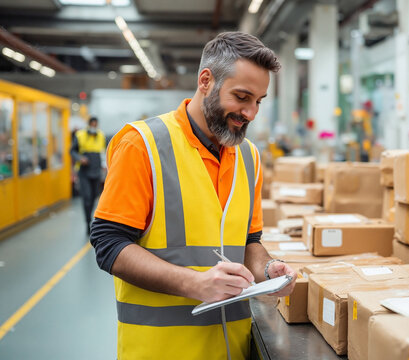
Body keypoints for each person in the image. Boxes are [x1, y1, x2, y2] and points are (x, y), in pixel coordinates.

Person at [90, 32, 297, 360]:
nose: (251, 112)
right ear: (206, 81)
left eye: (258, 100)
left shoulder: (249, 157)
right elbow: (109, 244)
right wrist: (194, 284)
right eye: (242, 97)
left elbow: (249, 241)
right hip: (161, 351)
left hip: (233, 348)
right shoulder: (141, 145)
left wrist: (268, 269)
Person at [70, 116, 105, 235]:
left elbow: (103, 152)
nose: (94, 127)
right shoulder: (80, 135)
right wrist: (80, 158)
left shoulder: (101, 136)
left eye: (96, 125)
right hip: (84, 172)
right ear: (89, 124)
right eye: (92, 125)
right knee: (87, 198)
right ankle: (88, 222)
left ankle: (90, 218)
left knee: (94, 197)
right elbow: (72, 151)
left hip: (96, 171)